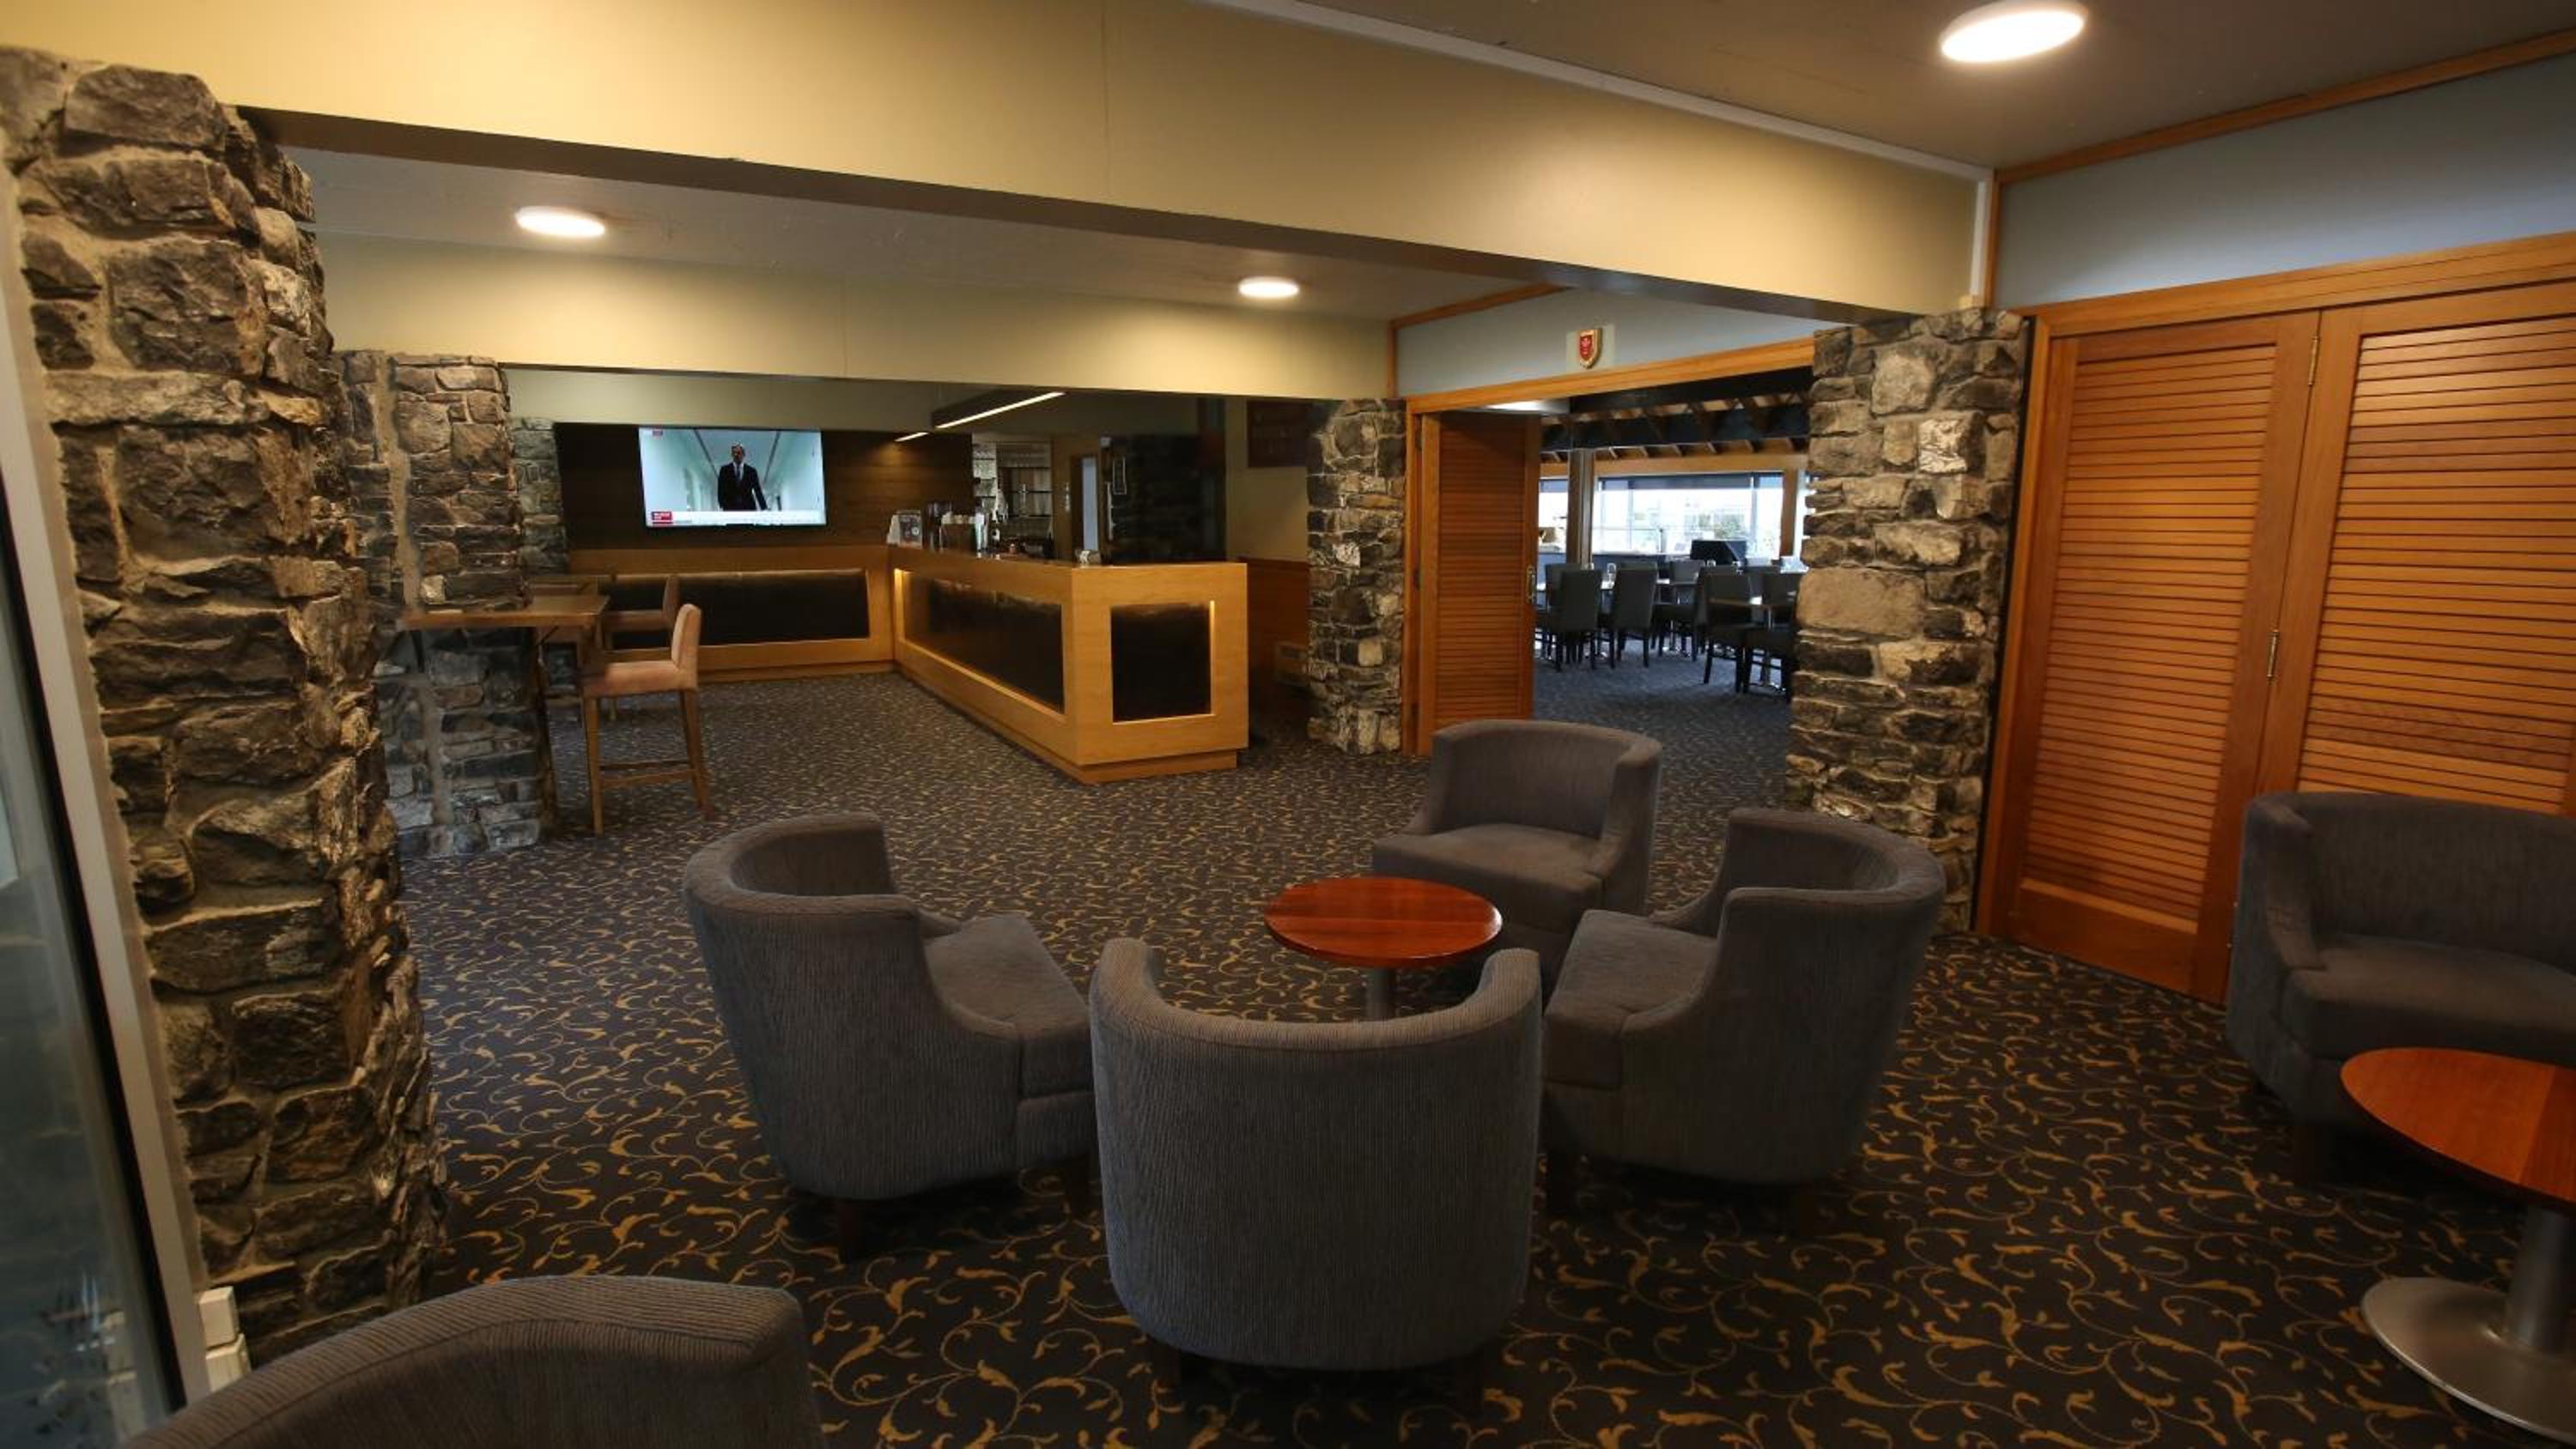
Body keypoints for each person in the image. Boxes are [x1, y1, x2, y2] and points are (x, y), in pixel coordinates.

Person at [715, 443, 767, 512]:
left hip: (748, 507)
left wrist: (764, 508)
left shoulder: (751, 471)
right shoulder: (724, 470)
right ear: (731, 455)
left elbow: (758, 490)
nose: (736, 455)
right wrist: (722, 505)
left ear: (744, 454)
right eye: (734, 453)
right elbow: (720, 489)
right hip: (730, 508)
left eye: (739, 453)